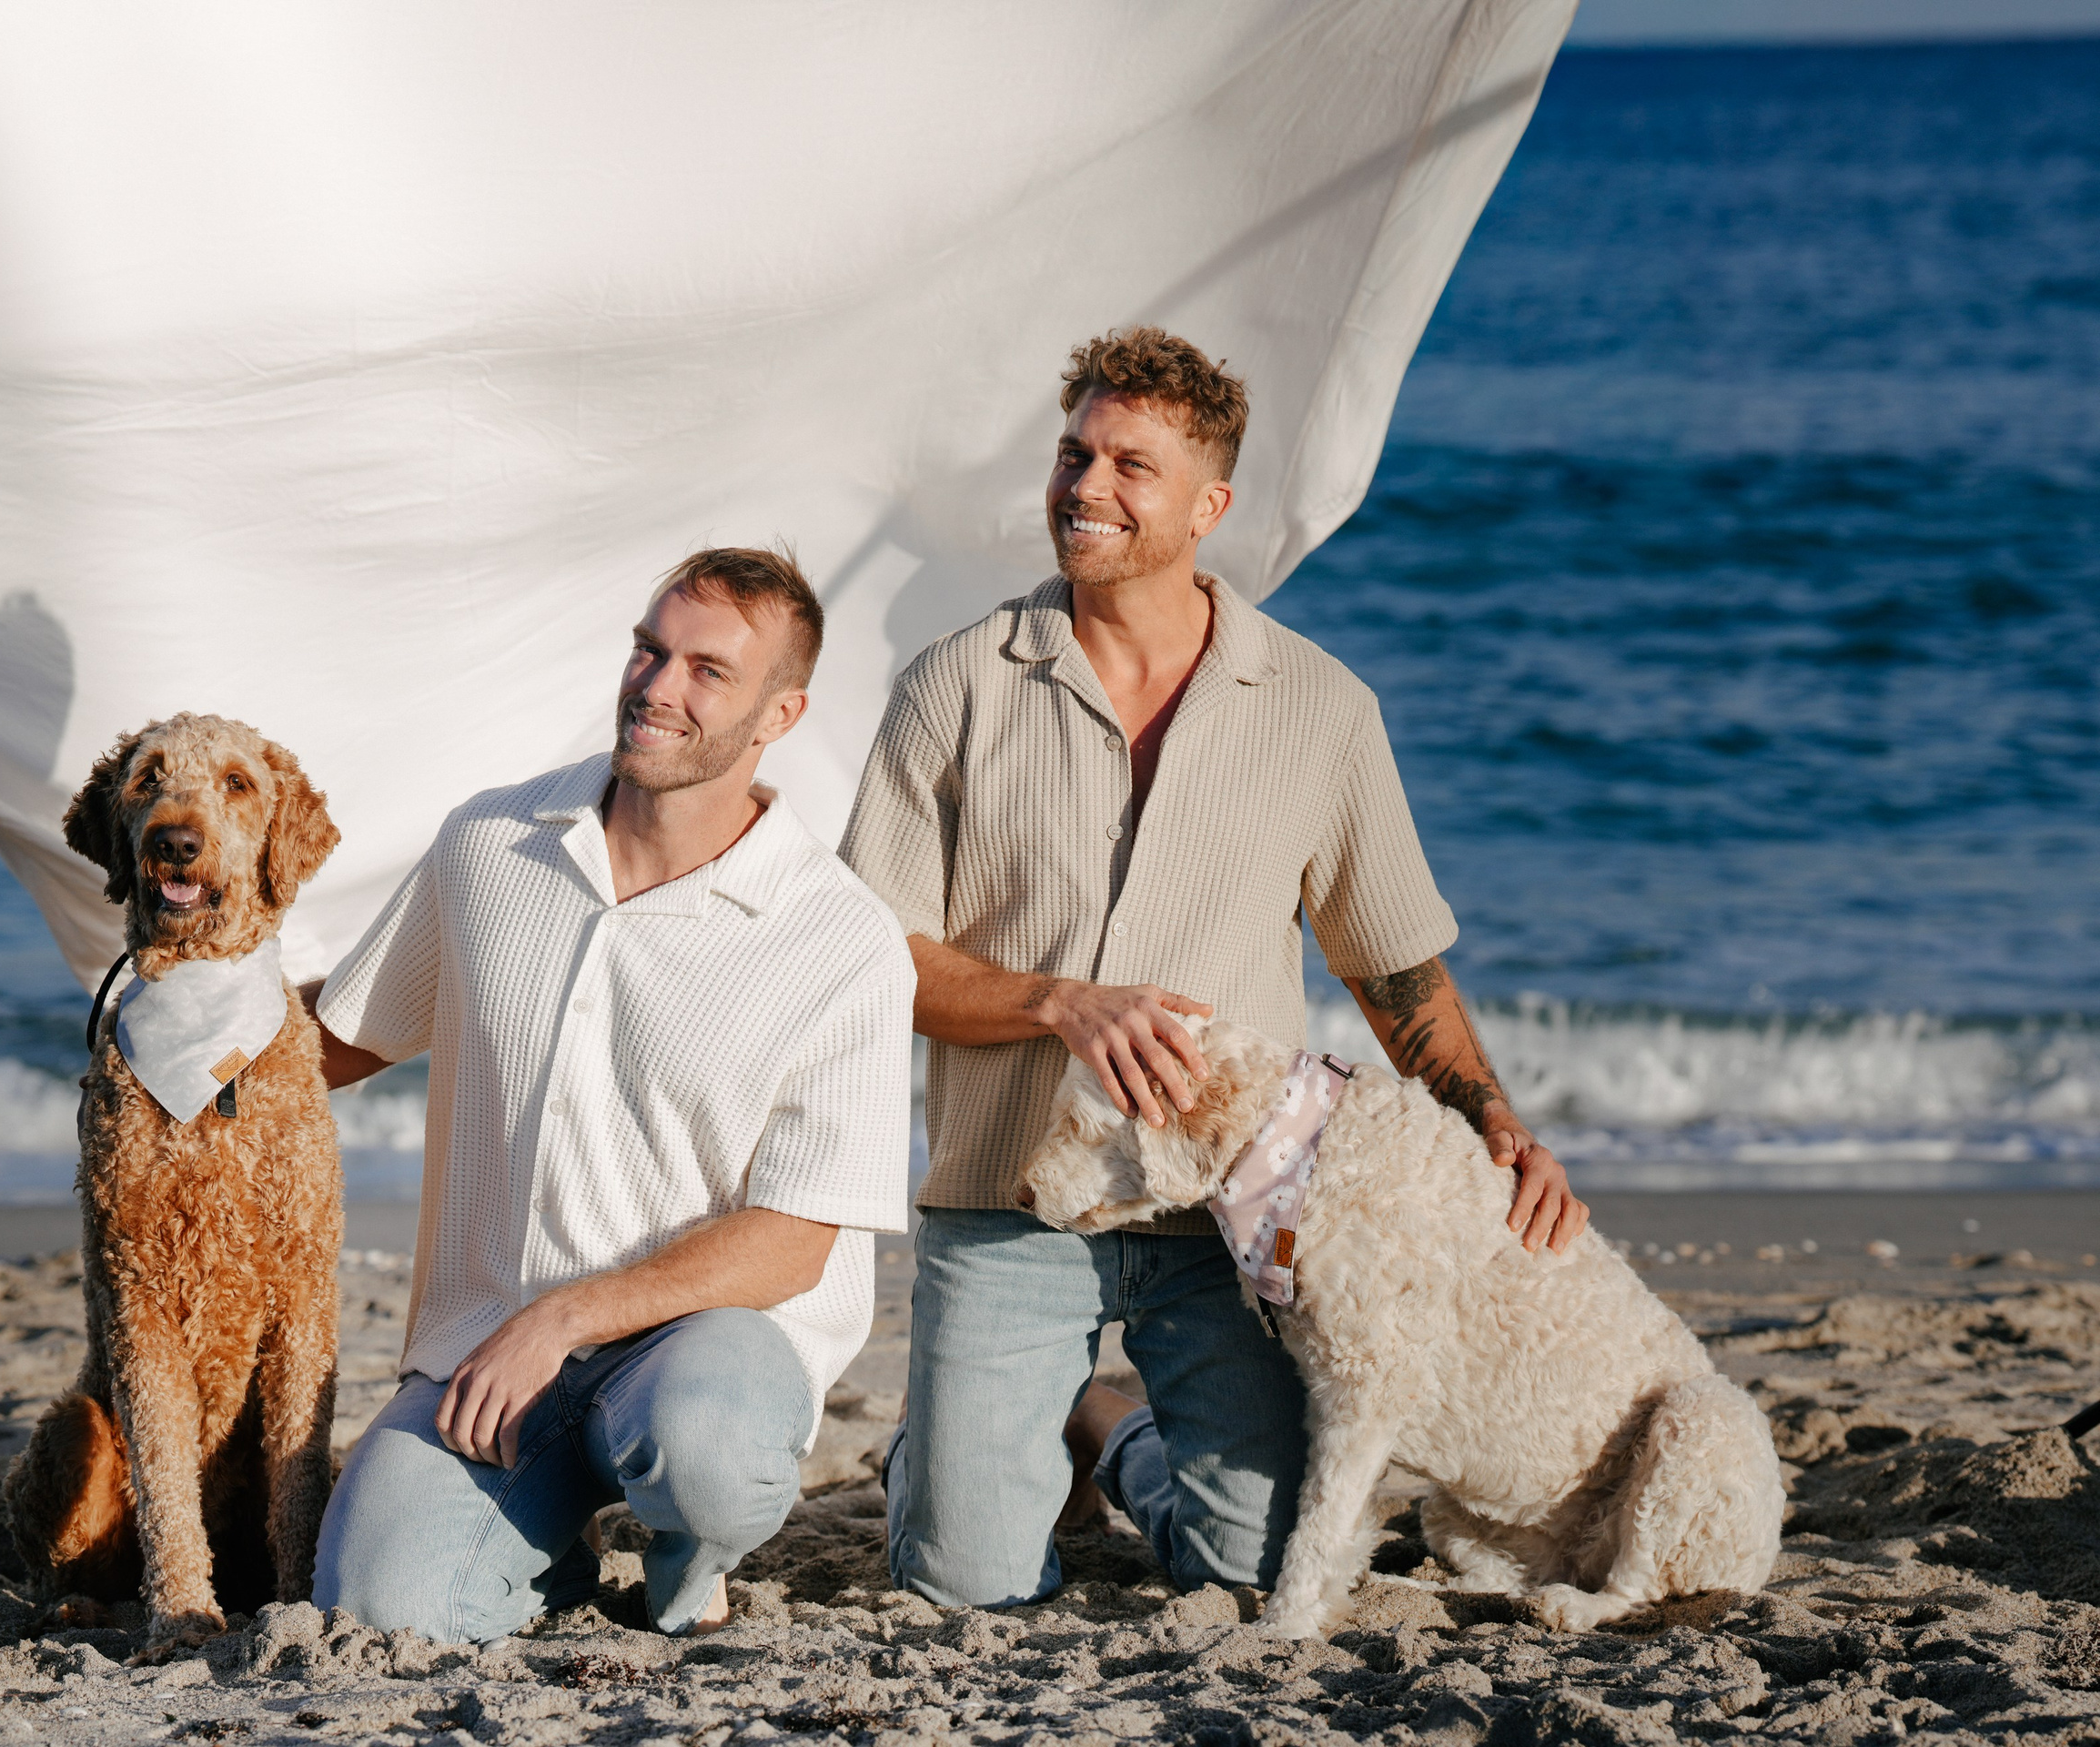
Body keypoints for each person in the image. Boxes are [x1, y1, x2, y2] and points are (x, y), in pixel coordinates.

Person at [839, 328, 1591, 1608]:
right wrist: (1056, 1002)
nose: (1087, 487)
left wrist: (1496, 1126)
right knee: (965, 1584)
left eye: (1132, 465)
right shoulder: (954, 688)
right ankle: (959, 1443)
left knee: (1248, 1572)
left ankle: (1107, 1430)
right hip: (1006, 1199)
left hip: (1234, 1225)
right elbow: (870, 966)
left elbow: (1395, 974)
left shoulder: (1321, 708)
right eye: (1077, 453)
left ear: (1209, 506)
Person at [308, 548, 914, 1640]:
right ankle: (555, 1555)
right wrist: (172, 1024)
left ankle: (689, 1571)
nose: (656, 687)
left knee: (712, 1453)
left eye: (706, 672)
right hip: (493, 1351)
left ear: (783, 712)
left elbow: (791, 1244)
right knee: (379, 1607)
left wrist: (571, 1314)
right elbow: (343, 1038)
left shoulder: (843, 940)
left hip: (704, 1350)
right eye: (649, 649)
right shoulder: (489, 845)